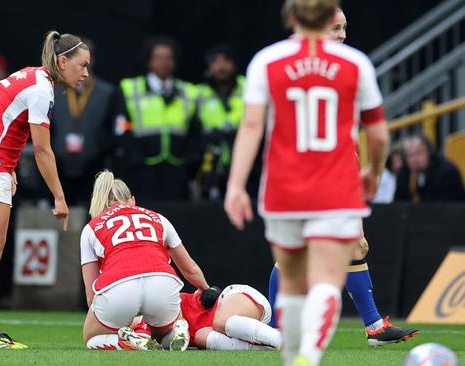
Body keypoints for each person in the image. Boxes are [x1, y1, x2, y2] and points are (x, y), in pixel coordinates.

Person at [224, 0, 390, 365]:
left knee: (293, 276)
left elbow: (251, 127)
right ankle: (310, 353)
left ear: (291, 16)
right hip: (336, 186)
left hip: (284, 187)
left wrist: (235, 185)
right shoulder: (355, 65)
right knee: (330, 278)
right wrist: (374, 174)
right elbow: (377, 134)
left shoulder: (267, 61)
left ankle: (293, 351)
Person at [267, 6, 419, 348]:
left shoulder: (343, 69)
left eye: (345, 28)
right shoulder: (295, 67)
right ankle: (277, 330)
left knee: (353, 244)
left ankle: (373, 326)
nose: (343, 36)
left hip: (337, 168)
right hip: (311, 171)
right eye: (335, 28)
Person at [0, 31, 87, 349]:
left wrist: (10, 165)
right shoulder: (42, 89)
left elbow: (3, 121)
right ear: (62, 61)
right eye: (82, 65)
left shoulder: (29, 76)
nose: (85, 72)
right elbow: (42, 151)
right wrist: (59, 196)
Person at [81, 170, 209, 351]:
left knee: (91, 338)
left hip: (119, 286)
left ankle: (128, 340)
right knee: (161, 333)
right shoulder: (158, 218)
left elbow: (91, 293)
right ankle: (179, 329)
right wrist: (205, 289)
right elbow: (191, 269)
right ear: (132, 200)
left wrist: (103, 317)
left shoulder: (91, 228)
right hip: (162, 282)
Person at [118, 37, 199, 201]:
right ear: (149, 61)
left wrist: (187, 163)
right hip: (142, 170)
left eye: (168, 58)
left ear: (175, 62)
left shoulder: (189, 92)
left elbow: (195, 132)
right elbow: (122, 128)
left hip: (177, 170)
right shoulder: (129, 88)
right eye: (158, 58)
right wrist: (136, 161)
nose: (163, 63)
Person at [51, 38, 117, 205]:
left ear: (92, 59)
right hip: (59, 165)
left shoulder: (107, 93)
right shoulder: (54, 90)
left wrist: (100, 147)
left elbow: (112, 129)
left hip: (94, 166)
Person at [195, 45, 261, 201]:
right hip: (212, 159)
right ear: (209, 66)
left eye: (225, 61)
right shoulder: (199, 92)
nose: (221, 66)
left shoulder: (248, 86)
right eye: (215, 62)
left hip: (245, 154)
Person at [395, 134, 465, 202]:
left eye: (418, 153)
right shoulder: (404, 173)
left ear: (429, 152)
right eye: (410, 155)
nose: (414, 160)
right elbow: (397, 204)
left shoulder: (447, 173)